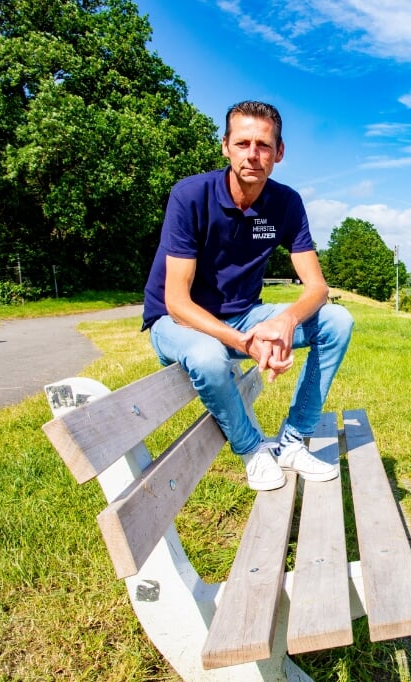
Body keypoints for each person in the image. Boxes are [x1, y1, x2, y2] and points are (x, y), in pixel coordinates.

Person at [141, 100, 353, 491]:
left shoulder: (285, 203)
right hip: (177, 323)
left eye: (263, 145)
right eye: (242, 144)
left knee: (338, 321)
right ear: (225, 146)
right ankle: (253, 450)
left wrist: (283, 321)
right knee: (207, 355)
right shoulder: (190, 196)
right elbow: (176, 301)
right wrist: (244, 342)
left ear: (279, 152)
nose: (252, 155)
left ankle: (291, 443)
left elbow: (318, 288)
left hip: (243, 315)